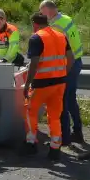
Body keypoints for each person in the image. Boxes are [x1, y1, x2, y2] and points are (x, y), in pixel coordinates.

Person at [22, 12, 75, 160]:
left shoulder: (37, 37)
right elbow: (71, 58)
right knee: (54, 116)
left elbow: (34, 63)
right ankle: (54, 148)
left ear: (34, 23)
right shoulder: (61, 36)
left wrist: (27, 84)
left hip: (41, 84)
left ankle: (31, 143)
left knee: (29, 111)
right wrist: (63, 73)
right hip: (59, 83)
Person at [40, 0, 87, 149]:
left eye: (42, 12)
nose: (42, 16)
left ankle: (65, 137)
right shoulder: (66, 19)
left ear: (48, 11)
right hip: (77, 61)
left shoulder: (56, 26)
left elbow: (60, 49)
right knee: (70, 98)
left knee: (63, 100)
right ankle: (77, 131)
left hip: (69, 65)